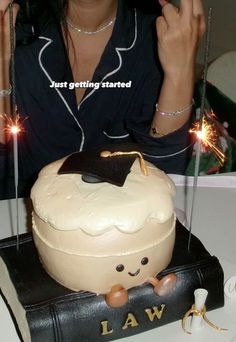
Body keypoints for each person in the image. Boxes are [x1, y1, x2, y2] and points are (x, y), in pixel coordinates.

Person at [0, 0, 205, 198]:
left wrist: (179, 74)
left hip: (123, 220)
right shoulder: (14, 28)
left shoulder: (158, 38)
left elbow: (165, 179)